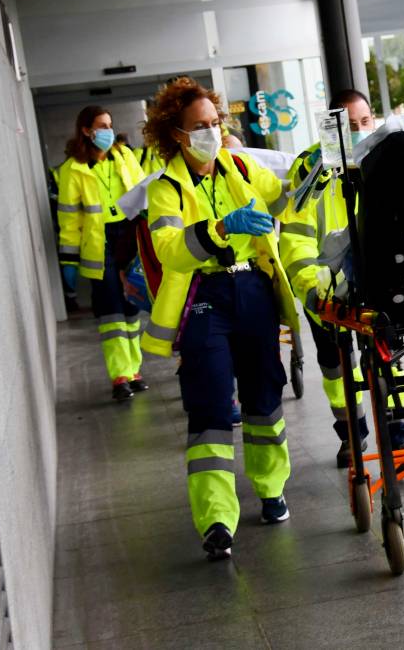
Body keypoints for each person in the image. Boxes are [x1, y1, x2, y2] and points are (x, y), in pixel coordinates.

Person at [140, 77, 297, 561]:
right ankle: (215, 520)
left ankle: (271, 489)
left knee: (264, 395)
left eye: (214, 123)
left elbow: (283, 201)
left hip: (252, 289)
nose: (210, 131)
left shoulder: (241, 165)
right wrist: (220, 227)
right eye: (198, 126)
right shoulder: (164, 189)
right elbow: (170, 250)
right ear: (177, 134)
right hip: (203, 296)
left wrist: (309, 174)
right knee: (209, 407)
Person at [279, 89, 404, 469]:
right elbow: (296, 234)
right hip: (324, 284)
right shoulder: (311, 167)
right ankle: (352, 433)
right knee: (336, 365)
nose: (359, 131)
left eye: (365, 122)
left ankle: (398, 434)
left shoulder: (385, 158)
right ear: (331, 126)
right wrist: (313, 288)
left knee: (388, 355)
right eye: (349, 124)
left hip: (375, 279)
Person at [57, 105, 147, 401]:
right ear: (86, 130)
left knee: (131, 304)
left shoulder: (124, 156)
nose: (108, 131)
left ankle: (134, 370)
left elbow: (144, 194)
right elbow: (69, 218)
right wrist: (68, 259)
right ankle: (119, 375)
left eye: (109, 125)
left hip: (129, 235)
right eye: (101, 126)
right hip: (101, 244)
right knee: (111, 310)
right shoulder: (73, 169)